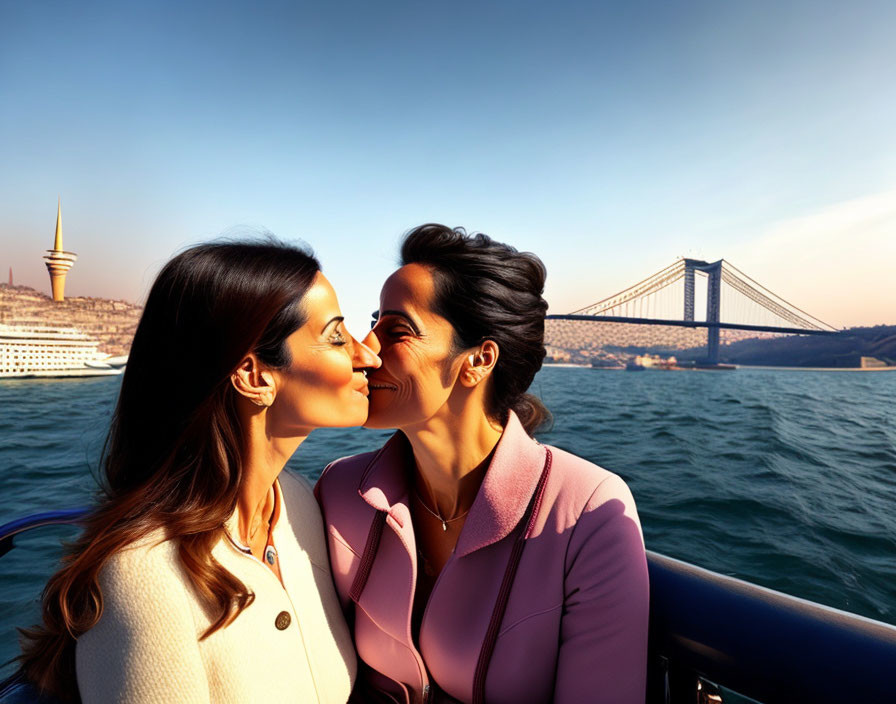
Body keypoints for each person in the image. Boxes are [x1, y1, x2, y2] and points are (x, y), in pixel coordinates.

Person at [17, 240, 379, 703]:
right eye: (335, 336)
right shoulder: (142, 577)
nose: (367, 356)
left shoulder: (299, 504)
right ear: (254, 376)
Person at [315, 224, 649, 704]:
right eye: (373, 323)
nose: (365, 350)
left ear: (478, 359)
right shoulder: (340, 489)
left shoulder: (584, 513)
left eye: (396, 330)